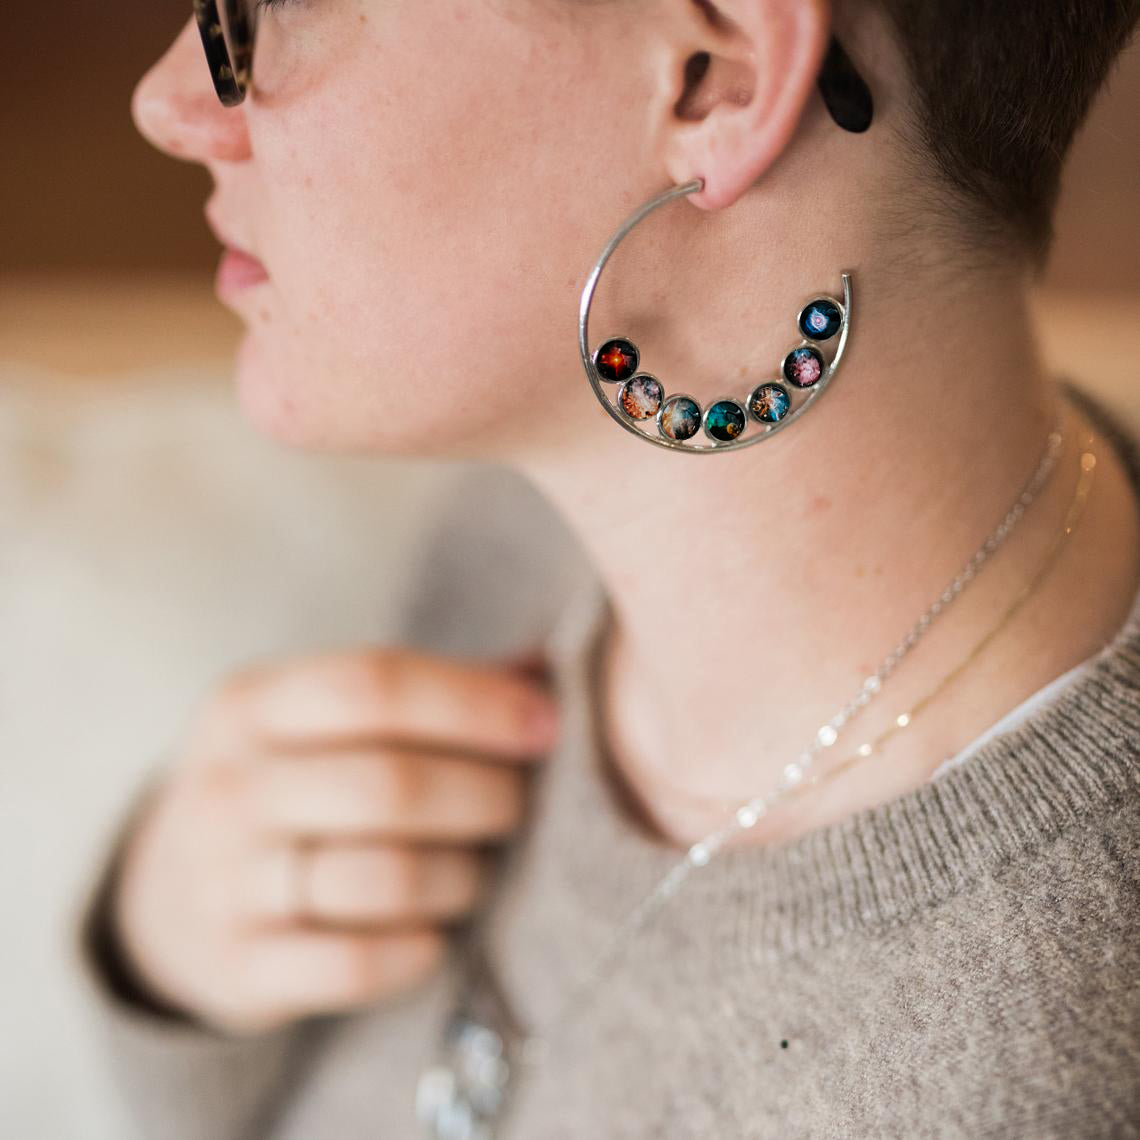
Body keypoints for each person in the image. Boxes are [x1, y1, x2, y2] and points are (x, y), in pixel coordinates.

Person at [80, 0, 1140, 1137]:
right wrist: (174, 974)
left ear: (712, 79)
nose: (168, 101)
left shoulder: (1007, 1090)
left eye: (261, 10)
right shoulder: (527, 511)